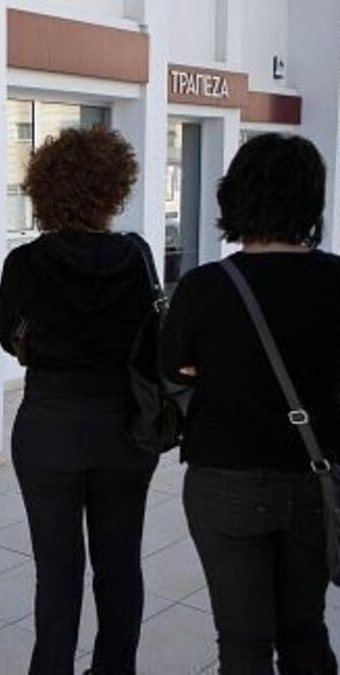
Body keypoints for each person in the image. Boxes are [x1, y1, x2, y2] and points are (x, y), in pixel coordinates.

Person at [161, 134, 340, 674]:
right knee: (306, 630)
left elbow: (172, 369)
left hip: (225, 482)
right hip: (318, 481)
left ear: (234, 196)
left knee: (242, 642)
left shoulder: (203, 287)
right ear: (312, 199)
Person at [0, 127, 156, 675]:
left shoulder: (27, 262)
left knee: (57, 571)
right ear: (115, 186)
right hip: (124, 426)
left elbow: (6, 336)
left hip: (49, 426)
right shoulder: (137, 256)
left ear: (45, 189)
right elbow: (152, 337)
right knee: (121, 565)